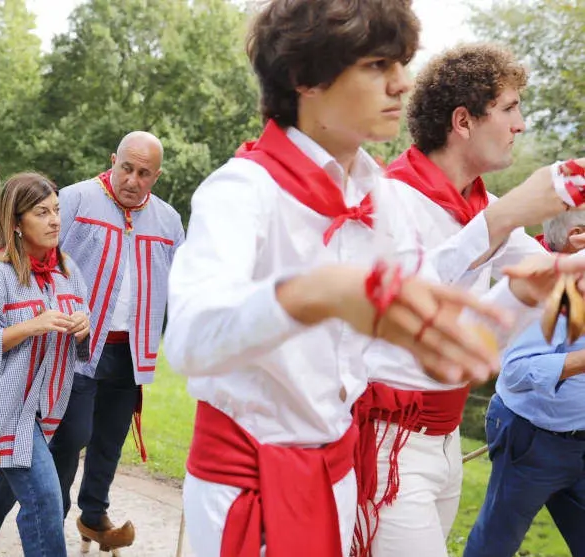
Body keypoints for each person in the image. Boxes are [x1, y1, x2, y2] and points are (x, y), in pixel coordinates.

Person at [163, 1, 585, 555]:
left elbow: (426, 331)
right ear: (306, 78)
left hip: (341, 470)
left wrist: (528, 293)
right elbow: (188, 340)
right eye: (378, 65)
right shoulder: (243, 188)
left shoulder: (374, 196)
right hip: (251, 482)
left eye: (401, 64)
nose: (402, 83)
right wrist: (318, 293)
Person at [355, 43, 551, 557]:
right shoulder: (387, 197)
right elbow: (406, 296)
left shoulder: (482, 207)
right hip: (390, 442)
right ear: (463, 121)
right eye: (509, 108)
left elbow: (551, 278)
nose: (520, 125)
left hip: (443, 440)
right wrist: (502, 219)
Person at [46, 130, 183, 551]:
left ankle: (93, 515)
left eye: (144, 174)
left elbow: (184, 283)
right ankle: (50, 521)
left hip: (131, 349)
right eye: (127, 168)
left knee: (110, 438)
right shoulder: (74, 199)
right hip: (78, 344)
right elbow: (40, 260)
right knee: (72, 436)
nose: (132, 180)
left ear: (156, 177)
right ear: (112, 160)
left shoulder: (168, 220)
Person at [0, 173, 92, 556]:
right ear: (16, 222)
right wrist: (30, 326)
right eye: (42, 212)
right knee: (45, 500)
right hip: (5, 412)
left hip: (46, 409)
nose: (54, 220)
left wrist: (83, 327)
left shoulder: (67, 270)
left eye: (56, 210)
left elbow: (82, 333)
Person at [462, 212, 585, 557]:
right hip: (532, 439)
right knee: (495, 545)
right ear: (578, 236)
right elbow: (515, 371)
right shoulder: (546, 289)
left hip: (579, 439)